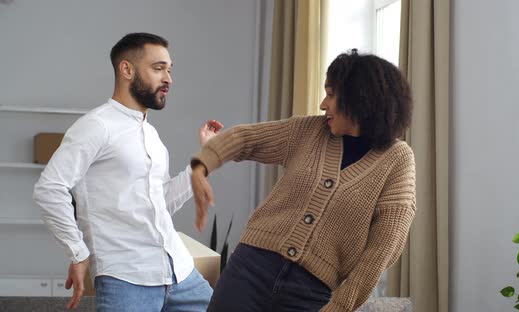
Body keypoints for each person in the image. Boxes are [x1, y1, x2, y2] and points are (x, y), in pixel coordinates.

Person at [190, 49, 416, 312]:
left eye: (331, 95)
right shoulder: (309, 132)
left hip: (310, 294)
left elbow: (381, 251)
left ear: (360, 99)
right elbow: (246, 138)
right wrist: (202, 164)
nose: (323, 104)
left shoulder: (397, 161)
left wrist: (340, 307)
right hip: (248, 271)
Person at [33, 32, 222, 311]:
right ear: (127, 69)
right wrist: (78, 252)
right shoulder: (96, 125)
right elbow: (49, 189)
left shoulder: (152, 135)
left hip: (181, 274)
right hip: (127, 279)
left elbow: (162, 202)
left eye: (169, 70)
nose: (168, 78)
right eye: (158, 68)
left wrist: (204, 157)